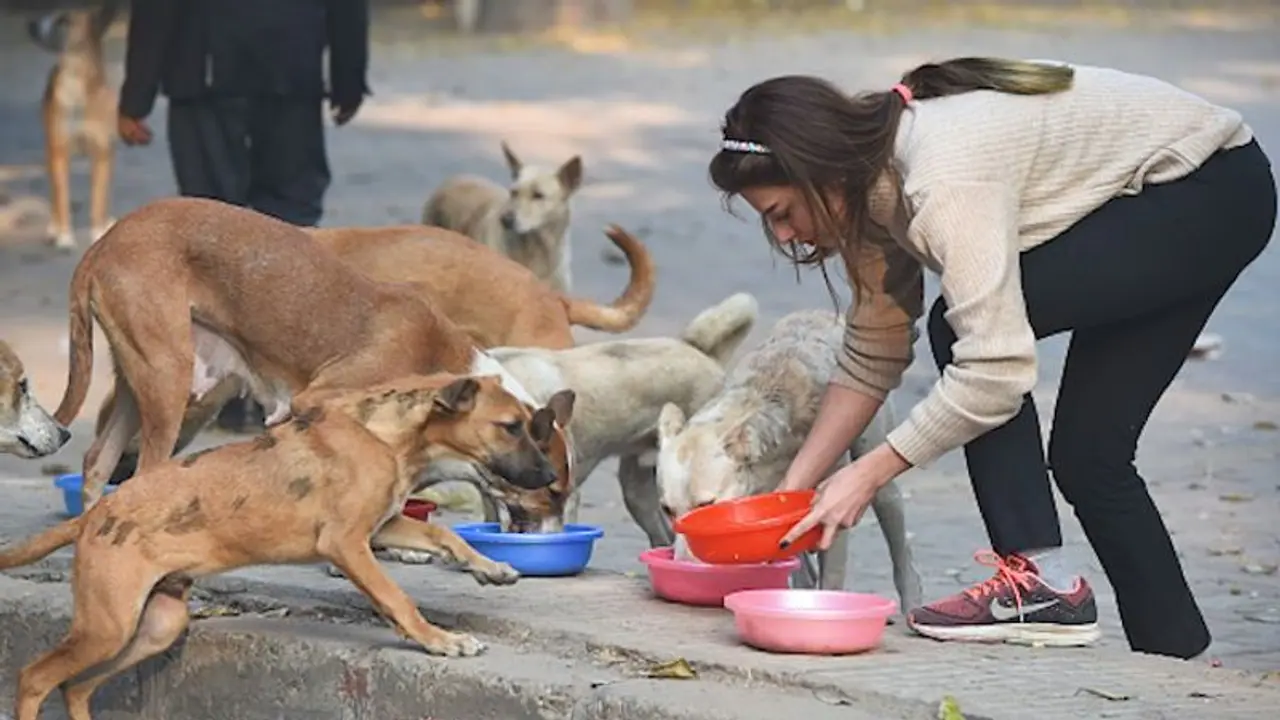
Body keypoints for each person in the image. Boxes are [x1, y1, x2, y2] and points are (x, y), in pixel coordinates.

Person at [708, 58, 1276, 659]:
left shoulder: (941, 177)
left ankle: (1040, 582)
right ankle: (1176, 665)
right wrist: (792, 499)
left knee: (962, 334)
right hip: (1196, 196)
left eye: (781, 214)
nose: (786, 237)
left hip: (1204, 191)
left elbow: (995, 373)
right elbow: (875, 350)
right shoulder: (866, 187)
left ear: (820, 172)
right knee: (1089, 457)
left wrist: (868, 472)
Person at [116, 0, 371, 432]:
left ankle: (228, 393)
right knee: (292, 229)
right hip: (289, 68)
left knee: (214, 234)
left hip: (207, 71)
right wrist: (349, 77)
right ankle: (288, 387)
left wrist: (136, 94)